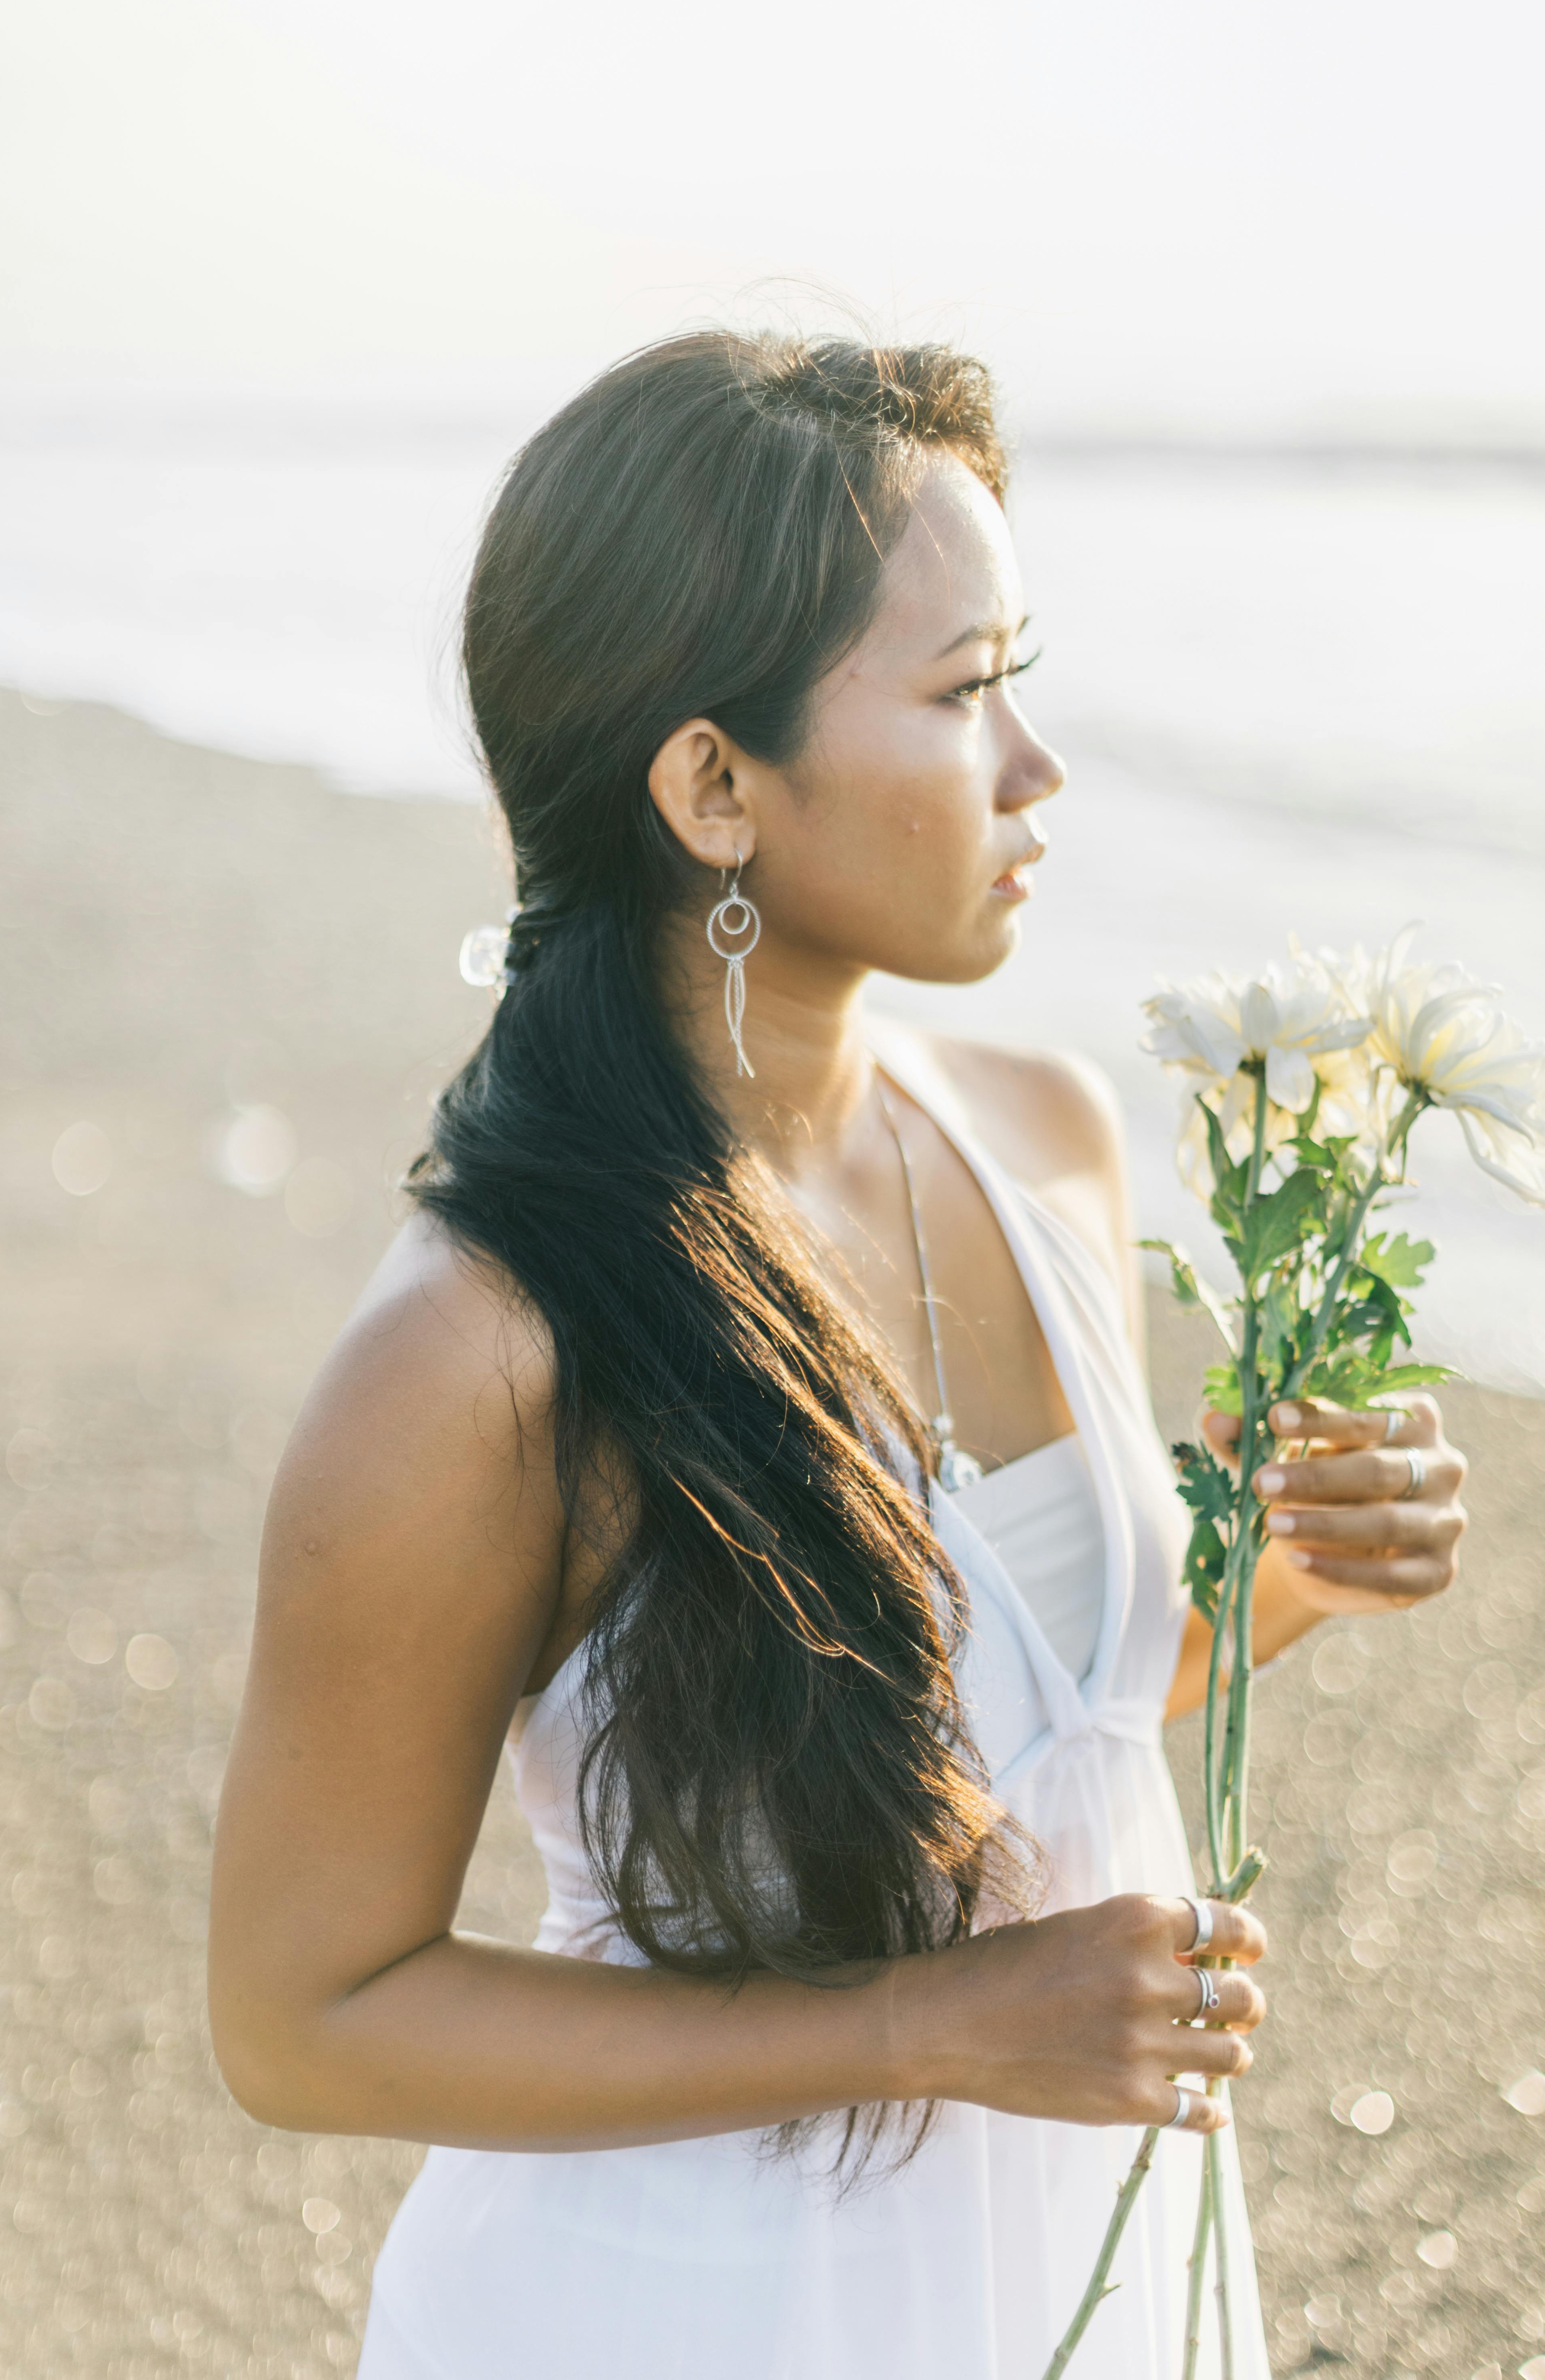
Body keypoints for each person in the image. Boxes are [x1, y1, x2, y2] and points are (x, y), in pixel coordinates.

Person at [207, 334, 1468, 2378]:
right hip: (687, 2308)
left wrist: (1284, 1574)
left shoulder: (1047, 1135)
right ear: (712, 784)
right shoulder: (481, 1353)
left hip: (1086, 2271)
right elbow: (300, 2016)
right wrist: (928, 2023)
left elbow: (1001, 1715)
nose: (1039, 766)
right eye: (969, 695)